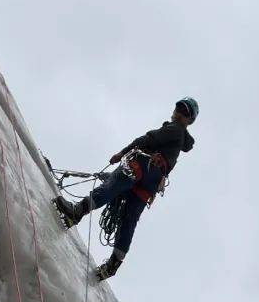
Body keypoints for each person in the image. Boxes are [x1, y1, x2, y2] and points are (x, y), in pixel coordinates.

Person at [53, 98, 199, 282]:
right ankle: (114, 263)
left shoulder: (175, 129)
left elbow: (146, 139)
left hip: (144, 165)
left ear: (189, 120)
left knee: (114, 186)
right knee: (129, 219)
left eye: (184, 112)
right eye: (179, 108)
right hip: (151, 183)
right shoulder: (179, 139)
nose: (179, 112)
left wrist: (122, 153)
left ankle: (77, 212)